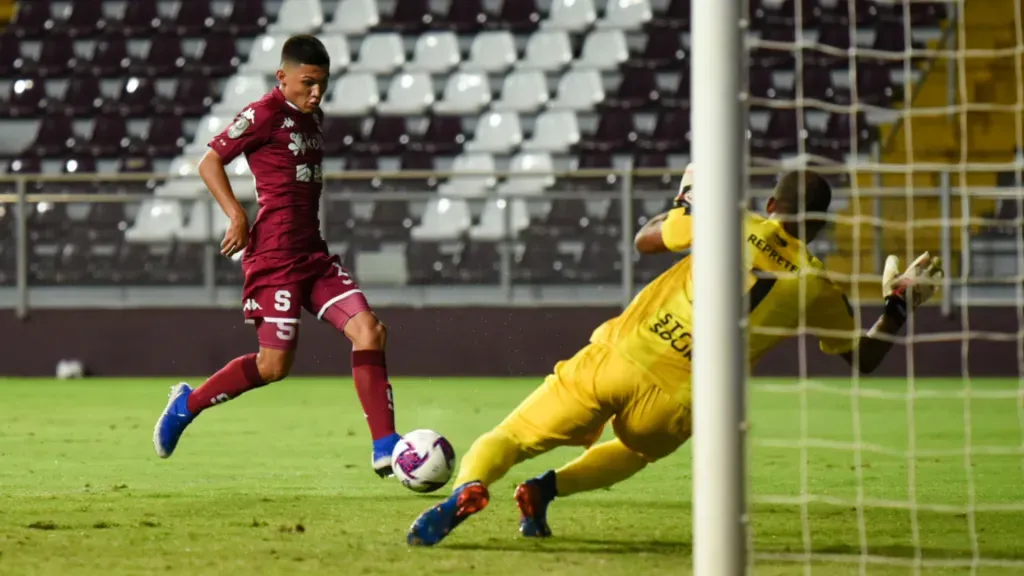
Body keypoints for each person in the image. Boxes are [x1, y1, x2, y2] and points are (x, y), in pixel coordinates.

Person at [406, 168, 944, 546]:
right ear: (821, 225)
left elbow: (645, 241)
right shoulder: (822, 286)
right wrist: (897, 303)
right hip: (683, 399)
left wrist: (688, 202)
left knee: (514, 436)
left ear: (772, 206)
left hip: (622, 355)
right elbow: (864, 357)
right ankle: (546, 490)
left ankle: (471, 488)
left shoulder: (732, 221)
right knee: (635, 453)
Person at [153, 35, 401, 478]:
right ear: (281, 77)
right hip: (274, 259)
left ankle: (385, 446)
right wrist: (237, 215)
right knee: (273, 367)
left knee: (370, 331)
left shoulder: (312, 116)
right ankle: (185, 406)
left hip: (313, 256)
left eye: (323, 84)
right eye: (308, 83)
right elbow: (209, 162)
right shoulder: (262, 114)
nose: (316, 93)